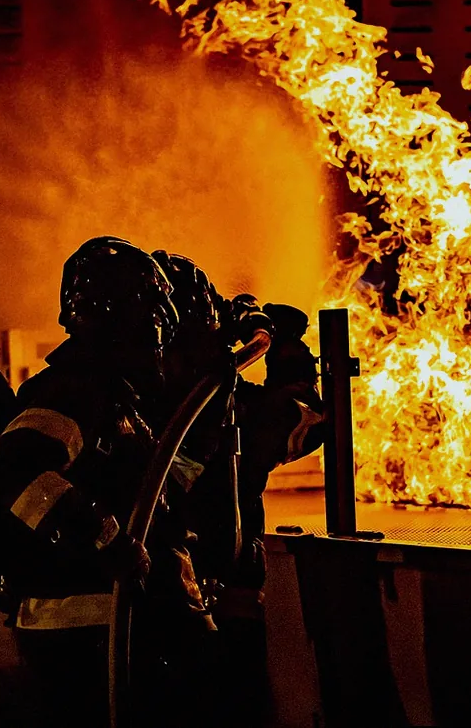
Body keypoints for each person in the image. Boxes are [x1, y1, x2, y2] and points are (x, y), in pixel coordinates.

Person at [0, 236, 178, 728]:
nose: (157, 337)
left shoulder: (110, 396)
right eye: (152, 319)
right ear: (124, 317)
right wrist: (106, 541)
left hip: (101, 626)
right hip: (77, 633)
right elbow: (11, 470)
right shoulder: (73, 392)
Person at [151, 251, 326, 726]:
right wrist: (288, 351)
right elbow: (301, 422)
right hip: (215, 604)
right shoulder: (211, 405)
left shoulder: (143, 398)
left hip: (172, 604)